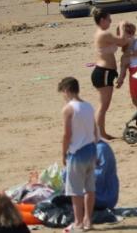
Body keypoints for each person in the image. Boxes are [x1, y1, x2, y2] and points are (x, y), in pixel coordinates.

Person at [58, 76, 97, 233]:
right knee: (90, 188)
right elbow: (95, 130)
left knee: (75, 190)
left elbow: (67, 134)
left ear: (66, 90)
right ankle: (88, 220)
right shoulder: (88, 106)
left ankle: (78, 222)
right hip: (91, 149)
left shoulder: (69, 108)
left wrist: (63, 153)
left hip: (77, 152)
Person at [91, 8, 130, 140]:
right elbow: (123, 41)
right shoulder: (103, 34)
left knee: (104, 105)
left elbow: (119, 42)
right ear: (102, 20)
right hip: (103, 72)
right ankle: (100, 133)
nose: (110, 22)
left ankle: (100, 132)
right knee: (103, 105)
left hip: (105, 72)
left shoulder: (103, 34)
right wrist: (122, 26)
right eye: (109, 19)